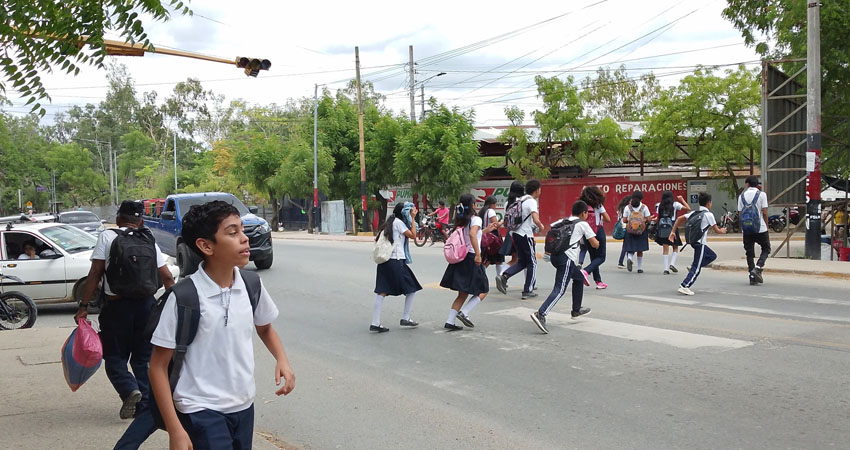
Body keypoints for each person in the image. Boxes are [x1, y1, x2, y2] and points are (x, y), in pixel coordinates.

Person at [149, 200, 295, 449]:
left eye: (242, 229)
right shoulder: (185, 297)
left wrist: (282, 360)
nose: (244, 238)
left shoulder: (251, 285)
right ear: (206, 245)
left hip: (243, 406)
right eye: (232, 232)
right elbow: (157, 367)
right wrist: (175, 430)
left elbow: (265, 327)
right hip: (201, 410)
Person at [74, 200, 175, 450]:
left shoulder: (107, 237)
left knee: (114, 357)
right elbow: (167, 276)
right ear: (140, 220)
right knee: (143, 359)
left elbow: (95, 273)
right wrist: (174, 306)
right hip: (146, 307)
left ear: (119, 218)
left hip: (116, 307)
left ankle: (129, 390)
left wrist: (84, 306)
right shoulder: (147, 238)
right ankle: (147, 406)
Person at [530, 200, 598, 334]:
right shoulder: (582, 224)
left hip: (556, 257)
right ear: (584, 213)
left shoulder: (561, 221)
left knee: (578, 278)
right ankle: (541, 313)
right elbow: (595, 244)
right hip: (566, 259)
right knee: (560, 289)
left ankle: (576, 310)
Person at [441, 194, 496, 331]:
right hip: (471, 257)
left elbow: (473, 234)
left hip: (462, 257)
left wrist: (485, 231)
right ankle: (464, 312)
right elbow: (472, 234)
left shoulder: (462, 219)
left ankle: (450, 321)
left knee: (463, 293)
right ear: (473, 205)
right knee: (483, 289)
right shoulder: (475, 218)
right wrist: (478, 255)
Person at [371, 202, 422, 332]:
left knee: (381, 291)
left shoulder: (391, 222)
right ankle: (405, 317)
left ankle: (375, 323)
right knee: (411, 287)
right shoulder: (399, 223)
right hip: (395, 261)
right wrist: (413, 218)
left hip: (386, 261)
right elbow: (413, 235)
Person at [496, 180, 545, 299]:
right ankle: (528, 290)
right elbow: (535, 218)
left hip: (515, 234)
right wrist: (541, 226)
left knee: (523, 262)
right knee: (532, 263)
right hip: (525, 235)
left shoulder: (519, 200)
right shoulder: (531, 201)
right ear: (537, 190)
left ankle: (505, 276)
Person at [672, 192, 727, 295]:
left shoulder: (694, 213)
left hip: (694, 241)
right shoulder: (709, 215)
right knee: (697, 268)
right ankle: (685, 285)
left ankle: (693, 266)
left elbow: (679, 219)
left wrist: (672, 232)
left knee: (712, 256)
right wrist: (722, 230)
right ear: (709, 203)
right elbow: (717, 230)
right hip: (700, 243)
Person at [738, 176, 770, 285]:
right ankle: (758, 267)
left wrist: (743, 227)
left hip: (747, 229)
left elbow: (740, 214)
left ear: (747, 184)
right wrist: (766, 225)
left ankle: (752, 277)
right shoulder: (762, 195)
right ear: (757, 184)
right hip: (760, 228)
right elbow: (764, 212)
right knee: (766, 248)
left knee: (749, 253)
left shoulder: (741, 196)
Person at [578, 186, 610, 289]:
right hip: (598, 231)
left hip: (586, 232)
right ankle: (586, 271)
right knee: (601, 257)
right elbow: (608, 219)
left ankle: (598, 281)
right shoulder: (598, 205)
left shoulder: (583, 205)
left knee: (593, 257)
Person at [496, 181, 526, 286]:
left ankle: (500, 275)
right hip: (522, 232)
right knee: (528, 260)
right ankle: (529, 283)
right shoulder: (523, 201)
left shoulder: (507, 203)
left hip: (510, 233)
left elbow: (506, 220)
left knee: (515, 259)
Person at [655, 190, 690, 274]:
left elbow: (657, 218)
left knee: (665, 248)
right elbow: (688, 208)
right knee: (675, 246)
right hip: (673, 226)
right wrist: (682, 199)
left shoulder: (659, 205)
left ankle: (666, 269)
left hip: (663, 227)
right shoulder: (675, 204)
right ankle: (672, 263)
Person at [622, 191, 654, 273]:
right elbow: (649, 219)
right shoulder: (644, 207)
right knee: (640, 249)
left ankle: (629, 258)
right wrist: (642, 221)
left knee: (630, 247)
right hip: (641, 231)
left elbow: (624, 220)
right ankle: (639, 268)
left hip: (630, 231)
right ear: (641, 198)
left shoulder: (627, 208)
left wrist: (632, 222)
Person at [479, 195, 506, 276]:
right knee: (498, 258)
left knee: (488, 258)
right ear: (492, 204)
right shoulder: (491, 211)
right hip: (492, 236)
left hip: (484, 235)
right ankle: (499, 277)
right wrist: (502, 222)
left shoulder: (482, 211)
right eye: (495, 204)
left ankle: (479, 274)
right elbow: (496, 225)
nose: (496, 206)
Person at [615, 196, 631, 269]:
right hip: (625, 226)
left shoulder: (620, 208)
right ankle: (621, 261)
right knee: (626, 245)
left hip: (621, 226)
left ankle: (628, 259)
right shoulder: (627, 208)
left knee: (626, 244)